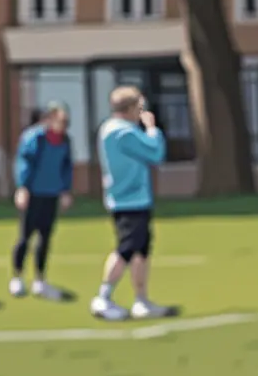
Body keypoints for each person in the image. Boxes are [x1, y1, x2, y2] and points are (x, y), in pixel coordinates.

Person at [90, 86, 175, 321]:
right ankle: (103, 298)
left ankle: (141, 300)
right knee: (126, 249)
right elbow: (155, 153)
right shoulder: (123, 132)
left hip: (132, 197)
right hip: (129, 199)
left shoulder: (111, 129)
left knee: (141, 250)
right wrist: (152, 129)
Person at [9, 101, 74, 300]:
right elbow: (24, 162)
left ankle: (40, 280)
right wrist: (23, 187)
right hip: (34, 193)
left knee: (45, 237)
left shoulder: (65, 141)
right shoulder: (34, 138)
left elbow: (66, 166)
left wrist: (65, 190)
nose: (62, 124)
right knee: (25, 236)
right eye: (59, 119)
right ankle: (17, 277)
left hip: (51, 193)